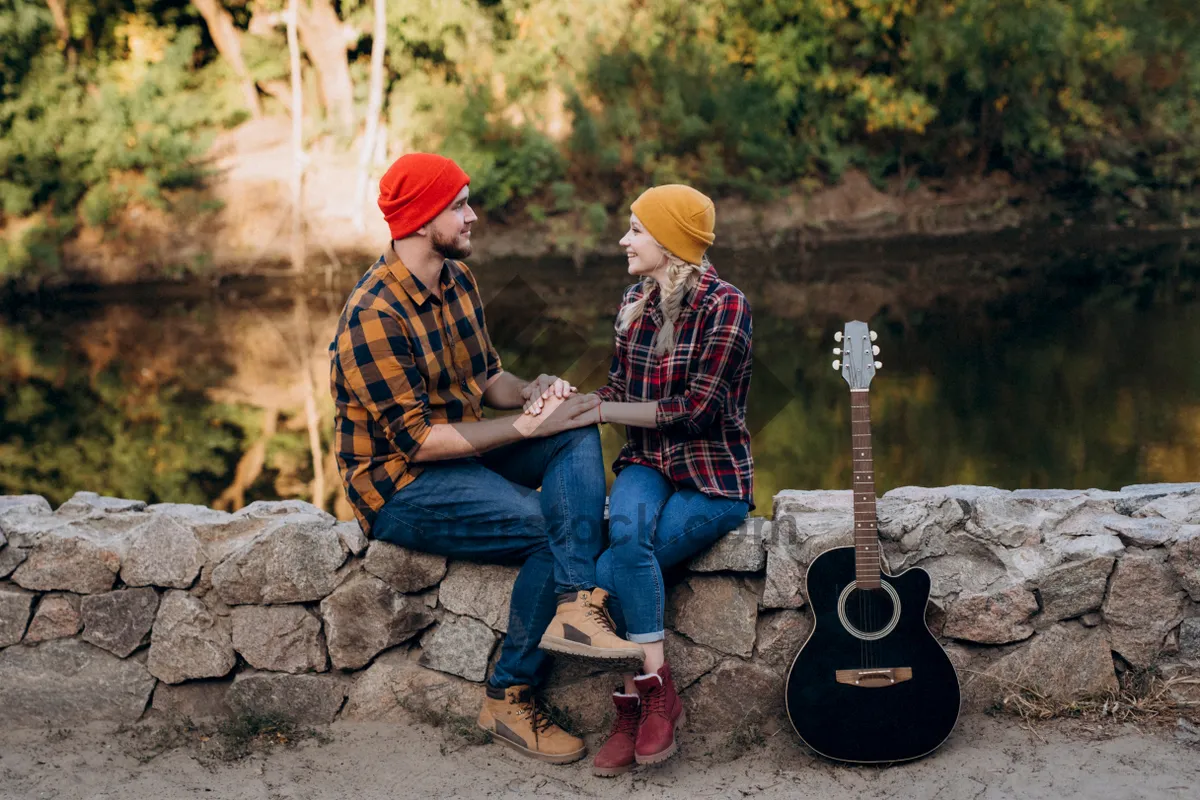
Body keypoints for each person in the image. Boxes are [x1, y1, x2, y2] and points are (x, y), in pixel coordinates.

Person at [329, 153, 642, 765]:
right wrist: (522, 427)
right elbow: (416, 441)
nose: (472, 216)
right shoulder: (372, 317)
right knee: (555, 528)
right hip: (401, 484)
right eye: (459, 205)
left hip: (465, 453)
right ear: (421, 220)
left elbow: (487, 378)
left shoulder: (457, 280)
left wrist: (531, 394)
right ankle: (508, 695)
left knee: (575, 420)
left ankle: (577, 604)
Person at [583, 185, 754, 775]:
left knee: (617, 565)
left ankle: (634, 703)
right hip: (647, 465)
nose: (623, 240)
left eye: (635, 229)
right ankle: (657, 693)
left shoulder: (725, 305)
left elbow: (696, 411)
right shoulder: (636, 300)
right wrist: (570, 399)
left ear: (671, 241)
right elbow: (617, 394)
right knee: (626, 538)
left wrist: (603, 412)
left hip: (713, 478)